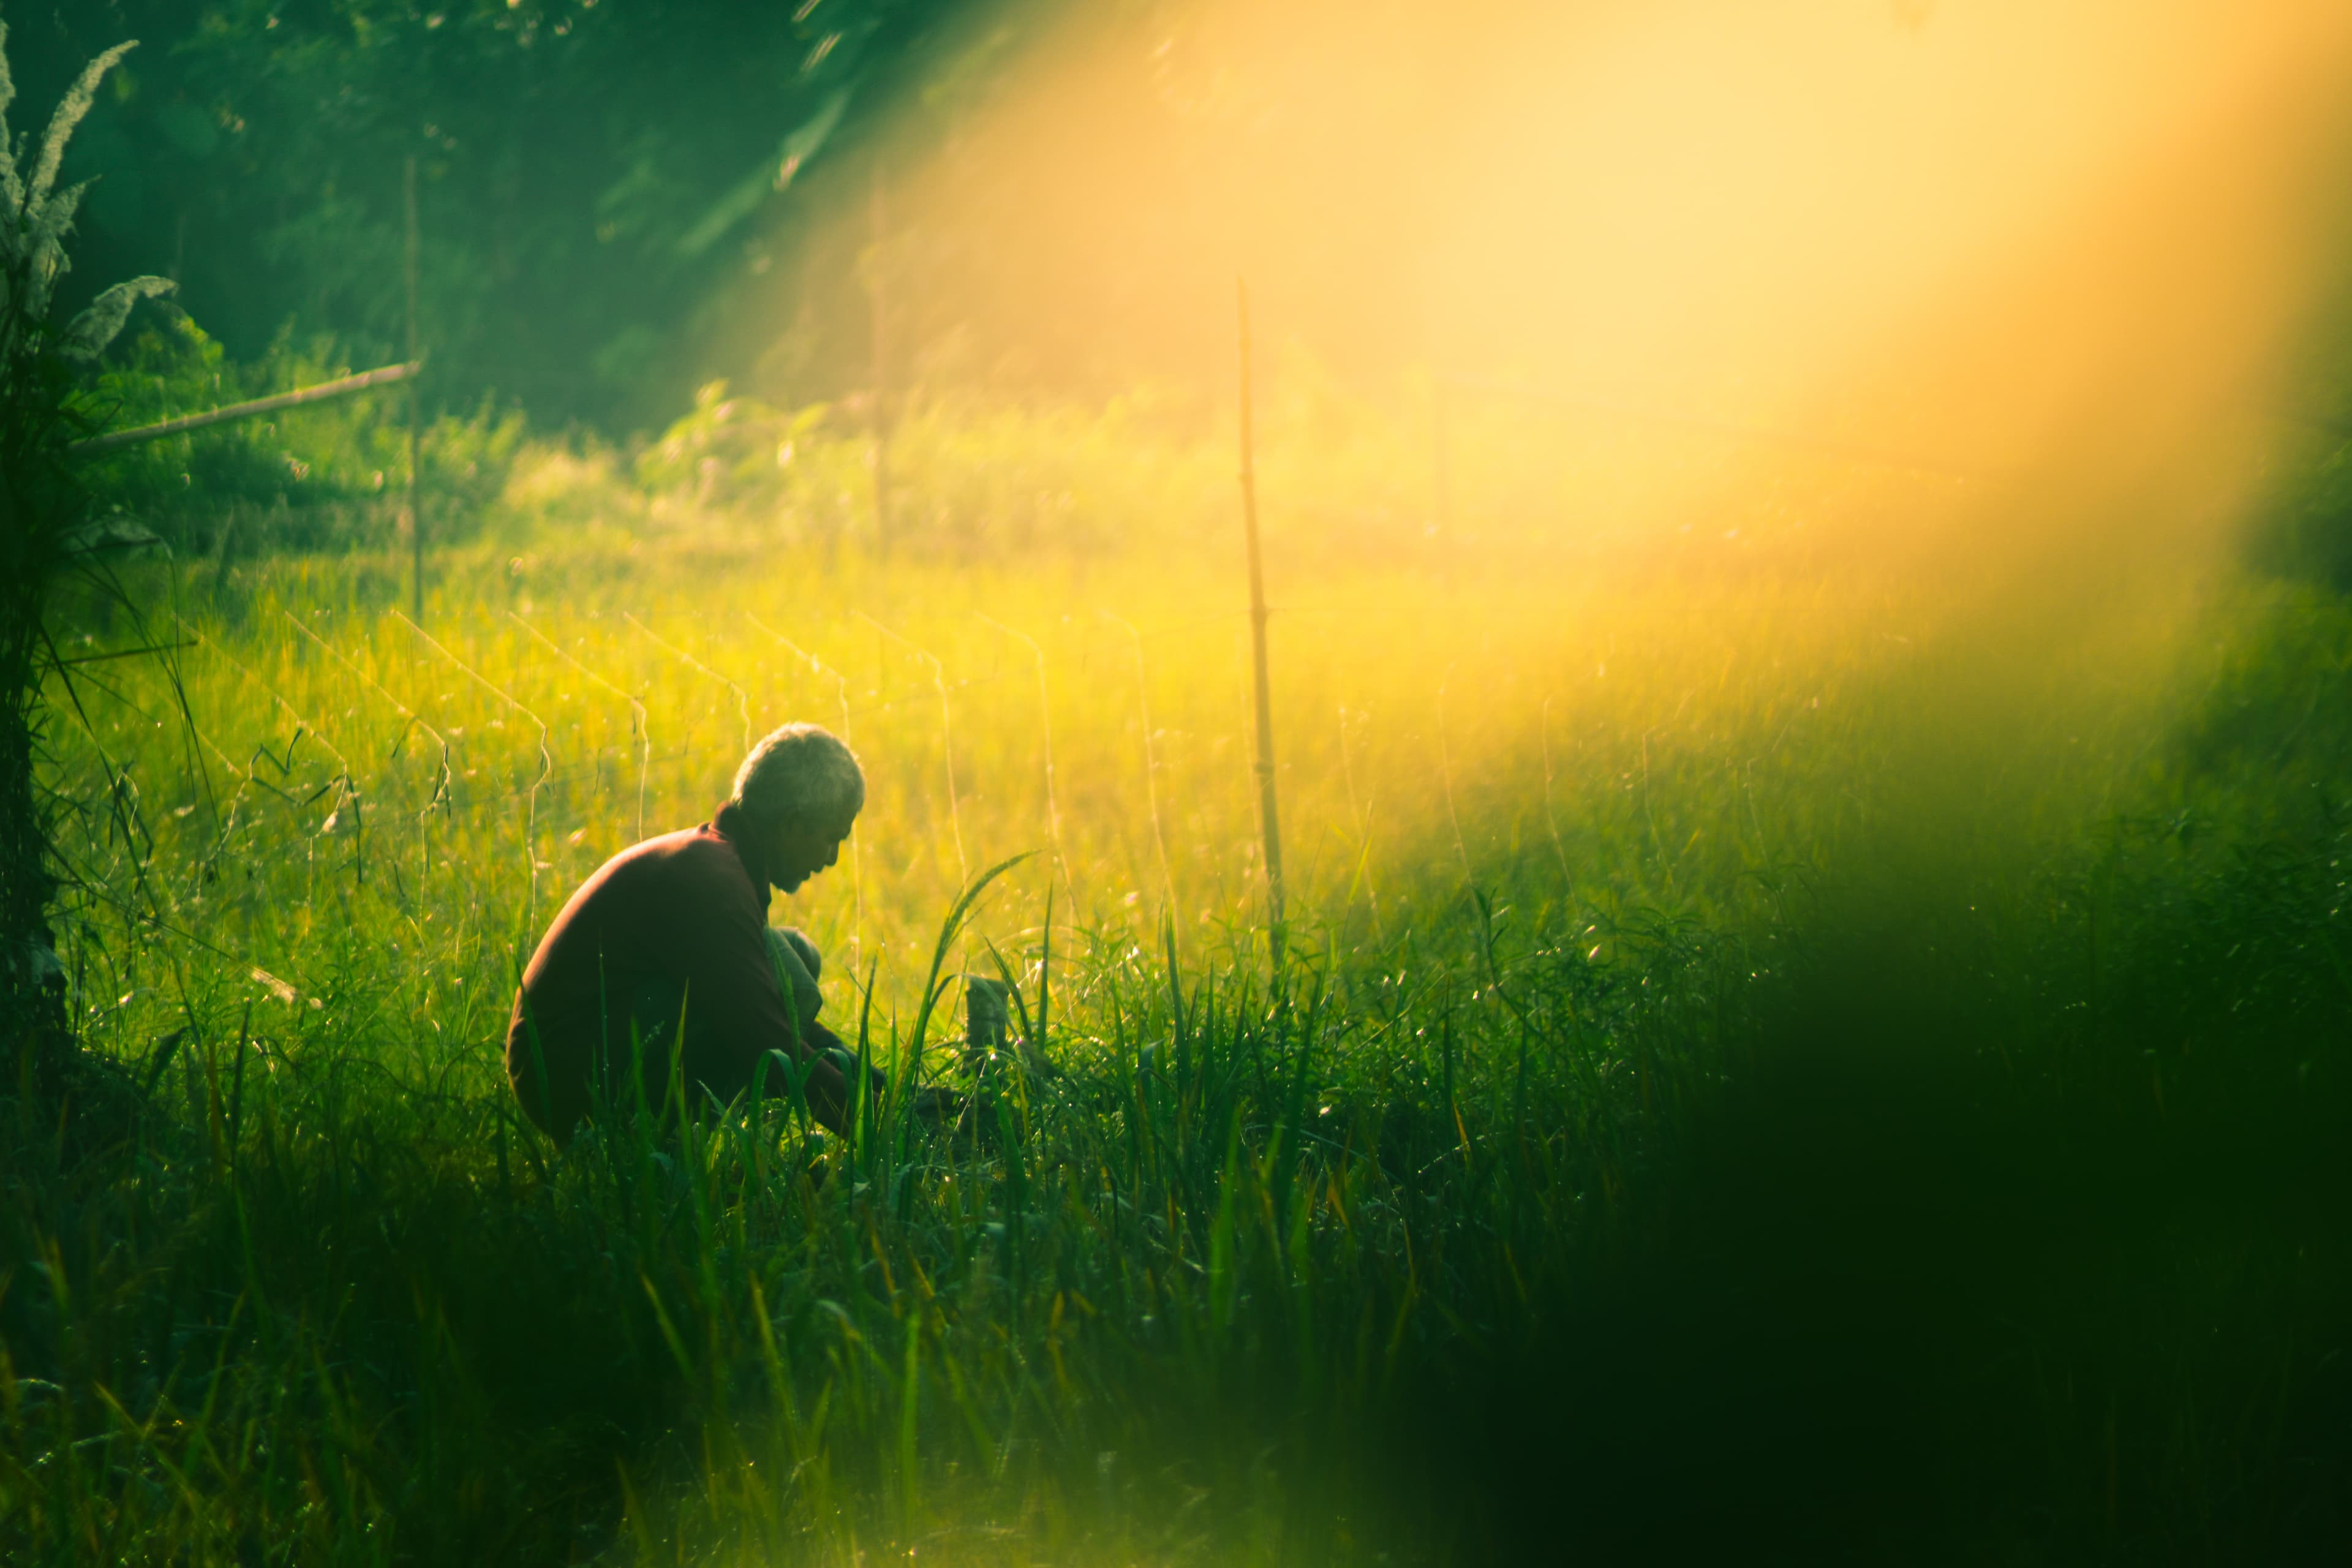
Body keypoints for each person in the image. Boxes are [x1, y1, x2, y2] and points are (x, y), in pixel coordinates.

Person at [506, 721, 883, 1142]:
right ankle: (650, 1145)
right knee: (768, 989)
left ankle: (682, 1140)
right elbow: (765, 1040)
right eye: (834, 838)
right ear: (792, 824)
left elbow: (771, 1015)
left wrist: (872, 1082)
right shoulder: (712, 884)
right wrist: (876, 1125)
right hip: (564, 1081)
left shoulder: (719, 862)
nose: (832, 858)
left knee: (788, 955)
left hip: (584, 1049)